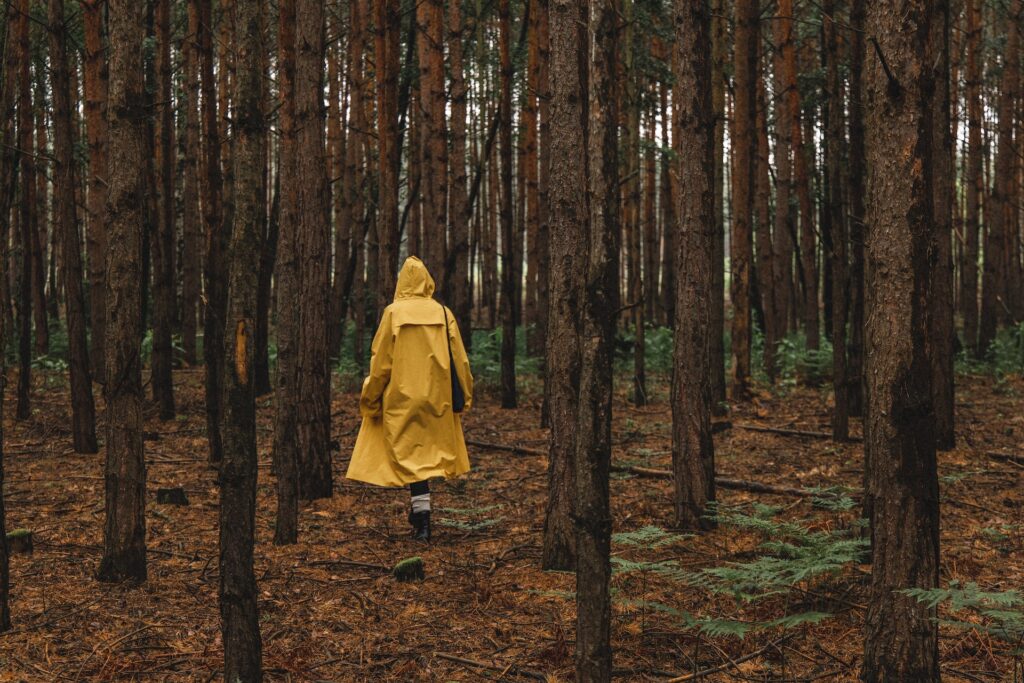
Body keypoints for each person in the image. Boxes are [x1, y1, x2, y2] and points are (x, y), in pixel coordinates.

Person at [346, 256, 473, 542]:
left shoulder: (394, 313)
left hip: (401, 400)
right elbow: (460, 361)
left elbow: (381, 363)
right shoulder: (443, 313)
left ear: (402, 283)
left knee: (412, 460)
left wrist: (370, 398)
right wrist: (465, 396)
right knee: (425, 460)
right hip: (436, 400)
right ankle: (422, 518)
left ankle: (422, 519)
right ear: (427, 281)